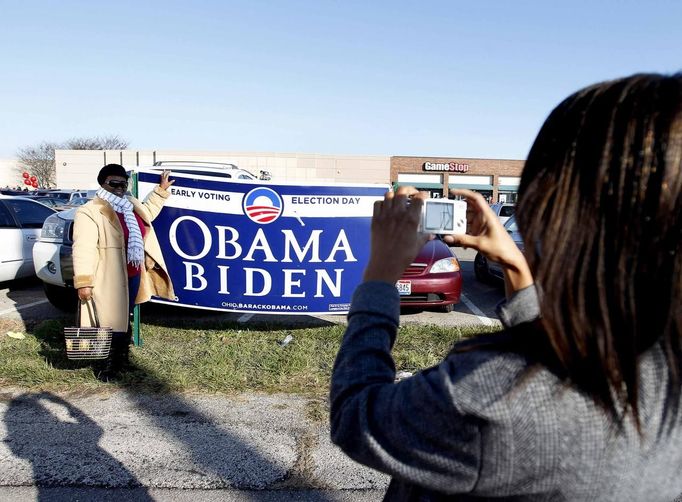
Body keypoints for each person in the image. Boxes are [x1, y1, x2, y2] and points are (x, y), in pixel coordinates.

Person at [330, 73, 682, 500]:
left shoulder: (494, 395)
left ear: (551, 209)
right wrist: (517, 266)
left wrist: (382, 272)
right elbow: (574, 353)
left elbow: (357, 417)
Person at [72, 164, 176, 380]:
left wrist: (161, 190)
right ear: (102, 184)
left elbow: (148, 212)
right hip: (107, 277)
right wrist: (83, 282)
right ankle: (106, 367)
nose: (119, 187)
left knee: (122, 319)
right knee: (109, 322)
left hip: (133, 273)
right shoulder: (90, 211)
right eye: (114, 183)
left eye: (123, 183)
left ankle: (121, 360)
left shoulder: (130, 205)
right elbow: (83, 247)